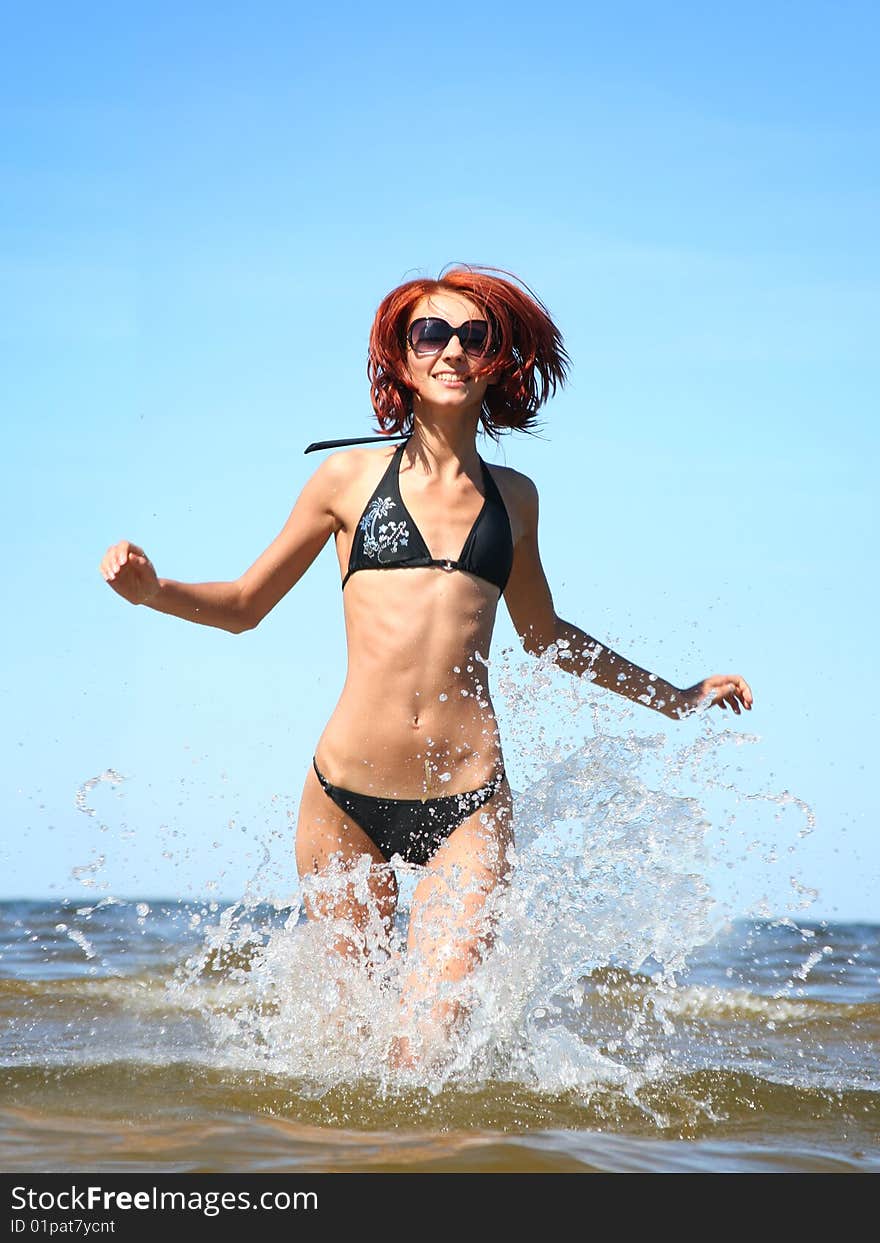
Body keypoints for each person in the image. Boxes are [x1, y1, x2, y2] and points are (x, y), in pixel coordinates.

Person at [99, 265, 753, 1070]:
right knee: (346, 1060)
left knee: (425, 1051)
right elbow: (242, 603)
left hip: (467, 803)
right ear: (401, 360)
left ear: (497, 360)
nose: (450, 349)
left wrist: (676, 697)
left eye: (472, 336)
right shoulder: (345, 481)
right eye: (429, 334)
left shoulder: (515, 499)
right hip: (343, 801)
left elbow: (545, 635)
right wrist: (152, 591)